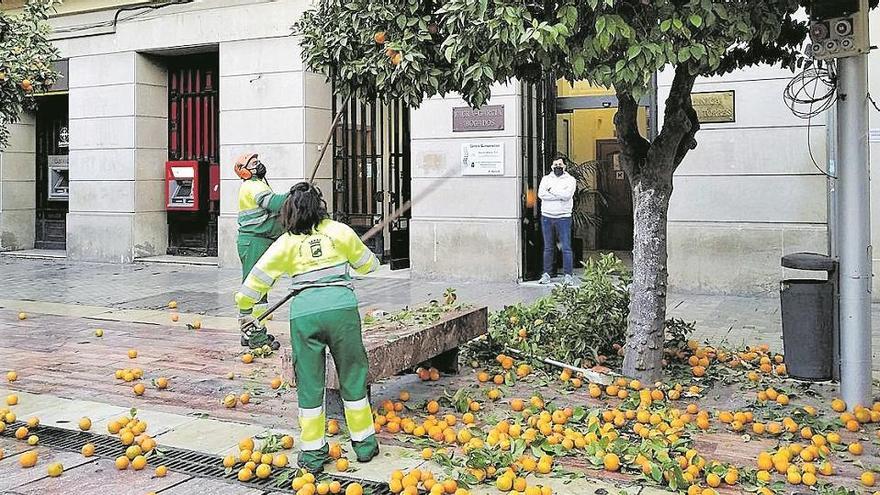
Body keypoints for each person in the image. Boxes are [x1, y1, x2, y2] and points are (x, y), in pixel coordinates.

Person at [235, 181, 380, 472]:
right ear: (320, 206)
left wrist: (245, 311)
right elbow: (369, 266)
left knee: (310, 383)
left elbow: (255, 282)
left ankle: (313, 453)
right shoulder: (340, 232)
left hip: (304, 315)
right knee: (352, 374)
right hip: (342, 311)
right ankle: (364, 444)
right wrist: (358, 257)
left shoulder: (286, 243)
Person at [234, 152, 288, 350]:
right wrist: (296, 194)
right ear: (245, 171)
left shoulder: (258, 184)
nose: (259, 165)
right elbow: (274, 203)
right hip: (255, 242)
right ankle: (254, 334)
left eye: (258, 162)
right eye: (254, 163)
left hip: (258, 241)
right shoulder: (253, 186)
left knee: (260, 290)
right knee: (253, 290)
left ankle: (253, 330)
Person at [537, 157, 577, 285]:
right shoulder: (545, 179)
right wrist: (558, 195)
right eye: (555, 164)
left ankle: (568, 275)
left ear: (565, 166)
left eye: (560, 164)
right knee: (548, 247)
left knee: (566, 247)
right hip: (547, 217)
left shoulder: (570, 180)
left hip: (564, 217)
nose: (557, 166)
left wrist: (551, 190)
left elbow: (567, 196)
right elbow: (541, 195)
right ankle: (546, 274)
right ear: (551, 166)